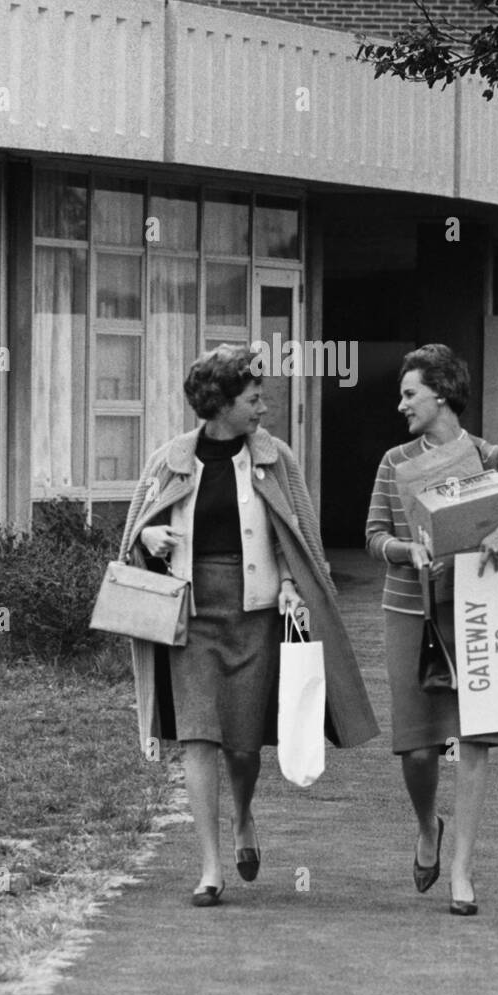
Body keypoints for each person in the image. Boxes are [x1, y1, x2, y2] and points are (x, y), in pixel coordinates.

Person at [120, 344, 378, 906]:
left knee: (241, 744)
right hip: (189, 617)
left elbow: (297, 533)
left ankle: (243, 816)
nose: (263, 408)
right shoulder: (170, 458)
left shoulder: (274, 456)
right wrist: (148, 537)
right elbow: (136, 526)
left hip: (255, 613)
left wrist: (291, 583)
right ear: (221, 403)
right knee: (197, 739)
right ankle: (210, 867)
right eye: (254, 398)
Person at [366, 344, 498, 916]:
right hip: (411, 611)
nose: (401, 404)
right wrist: (408, 550)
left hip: (483, 611)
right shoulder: (394, 462)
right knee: (416, 747)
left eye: (410, 393)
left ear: (442, 394)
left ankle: (462, 870)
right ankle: (428, 825)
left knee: (477, 739)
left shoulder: (491, 456)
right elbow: (374, 535)